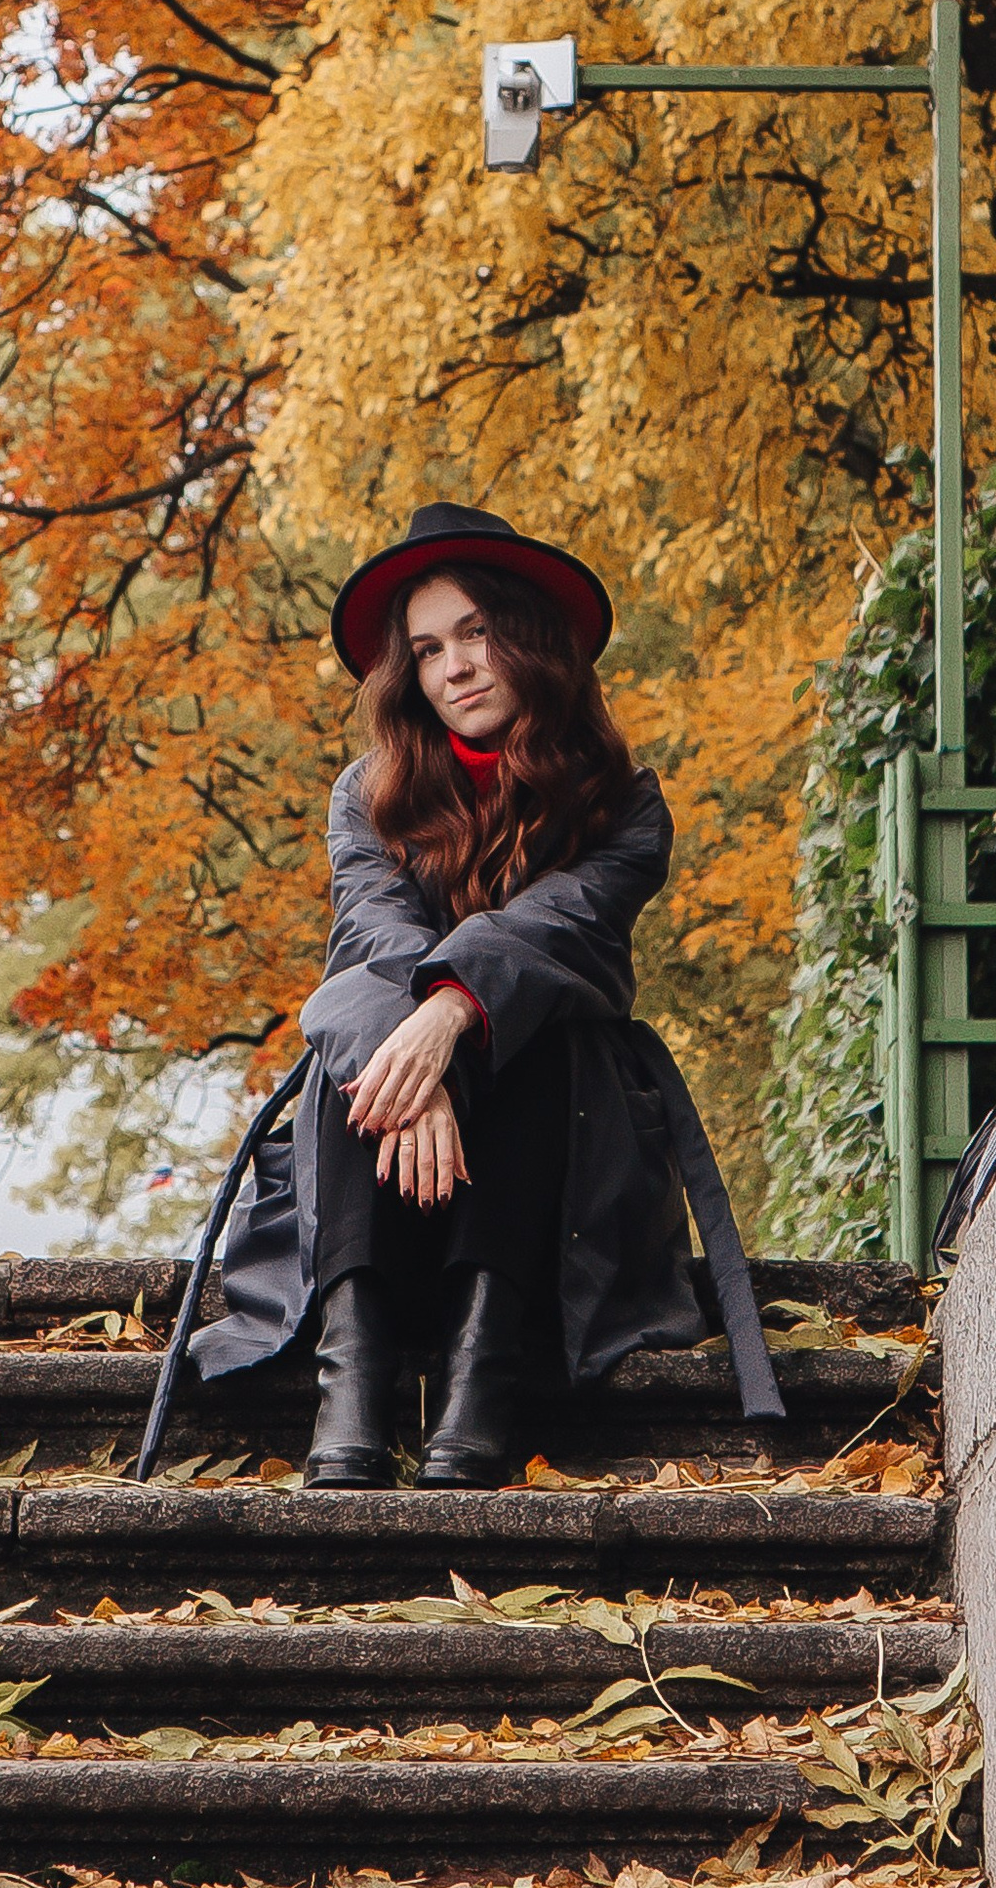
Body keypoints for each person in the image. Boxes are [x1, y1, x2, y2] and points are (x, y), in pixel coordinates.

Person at [187, 501, 780, 1488]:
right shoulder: (365, 793)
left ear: (532, 640)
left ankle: (479, 1382)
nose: (453, 667)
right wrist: (414, 1068)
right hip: (387, 1192)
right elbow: (369, 940)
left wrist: (452, 1012)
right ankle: (353, 1385)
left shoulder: (622, 801)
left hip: (553, 1195)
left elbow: (558, 928)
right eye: (426, 649)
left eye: (476, 633)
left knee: (542, 1028)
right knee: (358, 1047)